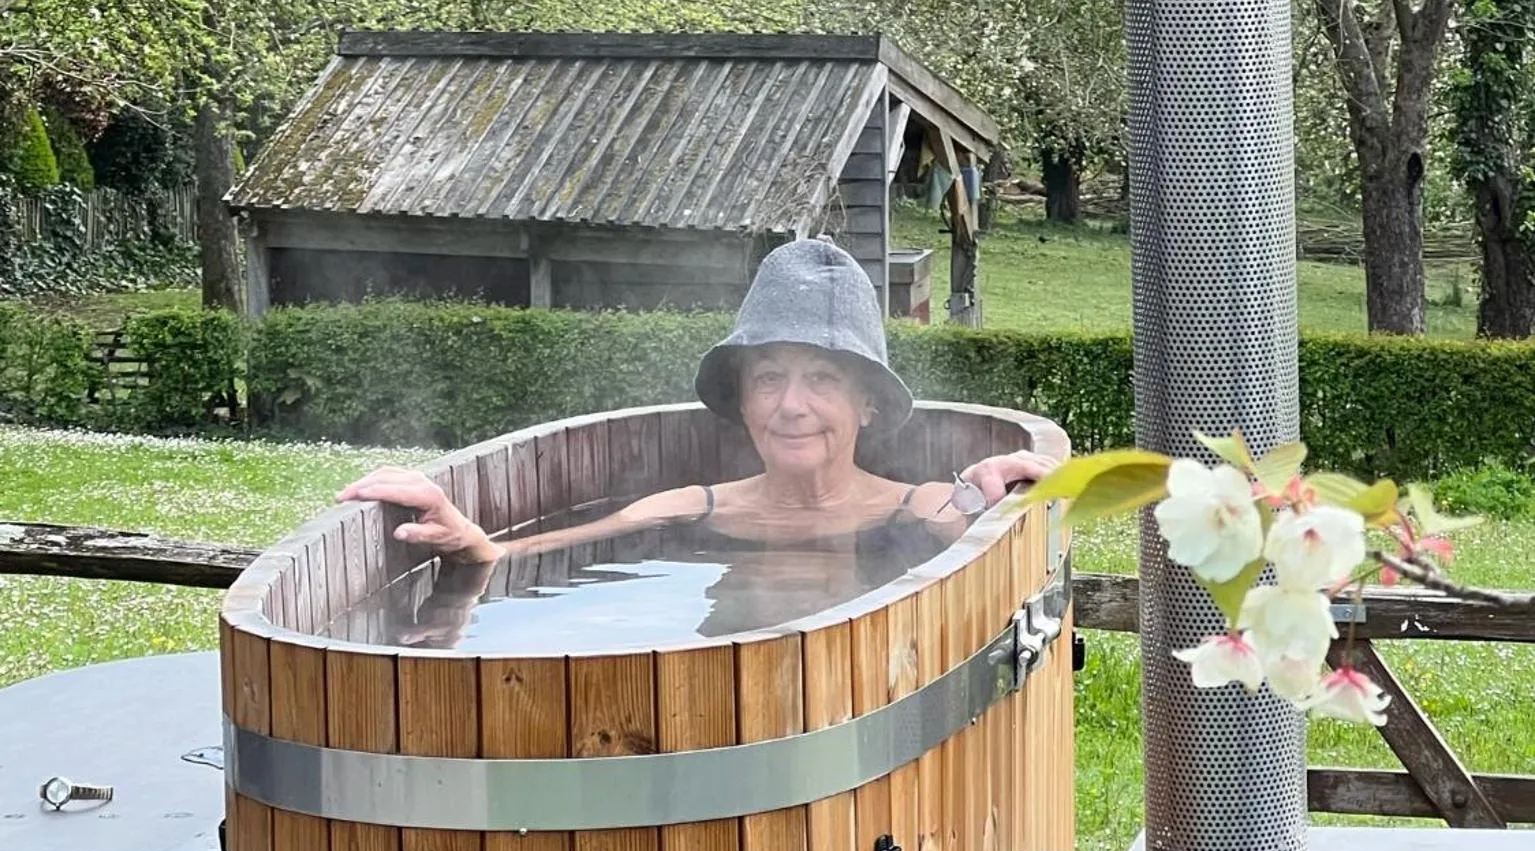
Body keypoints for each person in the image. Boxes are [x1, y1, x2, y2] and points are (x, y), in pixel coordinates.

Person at [338, 238, 1061, 590]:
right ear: (743, 399)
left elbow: (987, 529)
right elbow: (517, 560)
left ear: (866, 402)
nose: (792, 405)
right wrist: (466, 536)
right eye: (769, 378)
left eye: (821, 379)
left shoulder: (922, 509)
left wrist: (997, 488)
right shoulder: (687, 509)